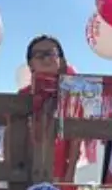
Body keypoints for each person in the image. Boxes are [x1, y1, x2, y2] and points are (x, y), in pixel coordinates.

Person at [19, 34, 78, 181]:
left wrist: (69, 178)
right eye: (39, 55)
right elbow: (12, 137)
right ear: (30, 64)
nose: (45, 59)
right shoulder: (22, 96)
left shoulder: (73, 95)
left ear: (61, 60)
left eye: (50, 54)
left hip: (60, 176)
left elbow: (77, 140)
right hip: (27, 174)